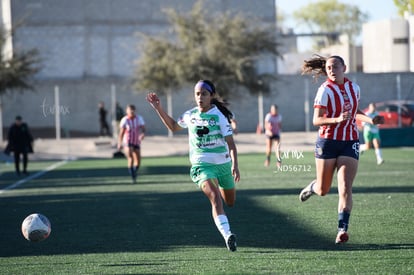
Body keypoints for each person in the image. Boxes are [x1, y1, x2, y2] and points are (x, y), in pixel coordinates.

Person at [146, 80, 240, 252]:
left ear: (211, 95)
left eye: (204, 93)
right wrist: (158, 108)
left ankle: (218, 186)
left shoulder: (219, 116)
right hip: (201, 164)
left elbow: (231, 144)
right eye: (197, 94)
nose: (200, 97)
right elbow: (174, 127)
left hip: (224, 164)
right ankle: (228, 236)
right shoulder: (190, 115)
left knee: (230, 202)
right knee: (215, 199)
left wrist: (235, 165)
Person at [298, 55, 384, 244]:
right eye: (328, 67)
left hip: (349, 141)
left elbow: (354, 112)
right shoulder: (324, 90)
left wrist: (370, 120)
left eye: (335, 66)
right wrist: (336, 119)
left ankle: (342, 230)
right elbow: (316, 120)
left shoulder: (355, 88)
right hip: (327, 142)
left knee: (345, 186)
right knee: (323, 189)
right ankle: (313, 187)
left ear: (344, 67)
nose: (331, 69)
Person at [117, 104, 146, 183]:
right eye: (130, 110)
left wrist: (142, 134)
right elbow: (121, 133)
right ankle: (133, 177)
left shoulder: (139, 118)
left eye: (133, 110)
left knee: (138, 161)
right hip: (127, 142)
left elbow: (143, 129)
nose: (132, 111)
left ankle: (134, 171)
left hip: (136, 141)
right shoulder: (125, 120)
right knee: (131, 158)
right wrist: (119, 143)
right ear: (127, 111)